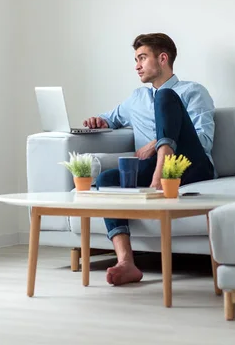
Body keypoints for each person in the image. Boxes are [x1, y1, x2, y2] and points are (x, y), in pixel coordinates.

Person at [83, 33, 216, 286]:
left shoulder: (193, 91)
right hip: (152, 170)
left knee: (165, 96)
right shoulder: (136, 98)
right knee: (106, 179)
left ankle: (161, 169)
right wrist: (97, 122)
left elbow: (204, 141)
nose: (137, 65)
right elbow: (109, 118)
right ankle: (126, 262)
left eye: (142, 58)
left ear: (163, 58)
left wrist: (156, 146)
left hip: (190, 164)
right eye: (136, 59)